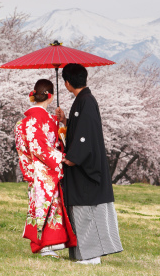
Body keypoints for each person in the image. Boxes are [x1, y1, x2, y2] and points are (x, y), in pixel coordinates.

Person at [55, 63, 123, 265]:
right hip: (82, 165)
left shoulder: (86, 101)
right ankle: (86, 254)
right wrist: (66, 121)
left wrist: (74, 157)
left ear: (67, 83)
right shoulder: (83, 101)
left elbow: (87, 135)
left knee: (87, 209)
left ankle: (91, 255)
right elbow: (80, 130)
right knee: (81, 209)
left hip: (86, 168)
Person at [14, 78, 77, 257]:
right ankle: (48, 245)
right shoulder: (50, 121)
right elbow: (46, 147)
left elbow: (23, 150)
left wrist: (30, 168)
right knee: (50, 206)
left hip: (35, 171)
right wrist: (62, 157)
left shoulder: (21, 124)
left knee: (40, 206)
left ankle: (44, 245)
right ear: (50, 97)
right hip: (49, 169)